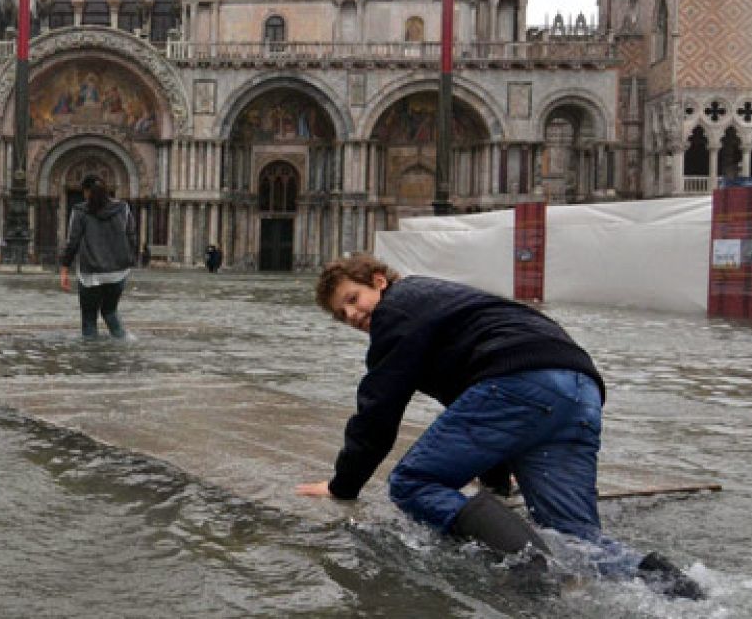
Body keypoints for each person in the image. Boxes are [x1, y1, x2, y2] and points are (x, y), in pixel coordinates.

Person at [298, 254, 703, 599]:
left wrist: (342, 487)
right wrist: (495, 485)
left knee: (412, 482)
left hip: (522, 382)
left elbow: (378, 409)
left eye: (353, 299)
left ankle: (537, 570)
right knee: (572, 535)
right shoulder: (440, 303)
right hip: (579, 390)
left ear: (379, 281)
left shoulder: (398, 309)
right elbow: (473, 400)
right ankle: (670, 585)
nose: (352, 315)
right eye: (341, 314)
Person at [59, 175, 137, 340]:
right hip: (118, 272)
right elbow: (131, 236)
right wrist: (129, 260)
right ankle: (124, 343)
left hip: (91, 274)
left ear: (86, 192)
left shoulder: (79, 211)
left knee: (89, 317)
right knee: (110, 311)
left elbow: (72, 242)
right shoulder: (123, 208)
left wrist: (64, 269)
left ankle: (90, 357)